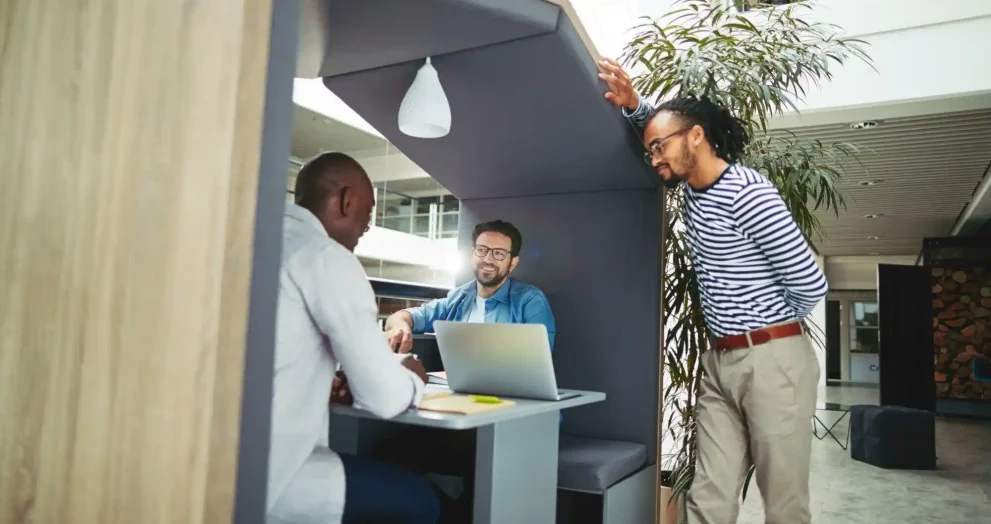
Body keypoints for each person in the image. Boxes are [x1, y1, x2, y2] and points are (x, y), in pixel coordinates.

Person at [599, 58, 828, 524]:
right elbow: (661, 128)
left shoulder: (749, 192)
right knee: (708, 497)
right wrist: (635, 105)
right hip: (718, 363)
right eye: (651, 152)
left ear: (697, 137)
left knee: (783, 504)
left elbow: (810, 282)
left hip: (772, 361)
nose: (656, 158)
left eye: (660, 148)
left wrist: (768, 328)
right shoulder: (693, 188)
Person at [266, 152, 440, 524]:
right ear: (346, 201)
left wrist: (324, 379)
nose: (368, 227)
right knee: (423, 503)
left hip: (213, 458)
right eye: (369, 211)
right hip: (274, 473)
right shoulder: (328, 258)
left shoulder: (258, 239)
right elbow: (386, 400)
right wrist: (411, 375)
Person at [383, 220, 556, 352]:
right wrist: (400, 326)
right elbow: (401, 318)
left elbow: (539, 361)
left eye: (499, 253)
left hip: (514, 396)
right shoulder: (457, 298)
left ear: (512, 263)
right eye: (482, 250)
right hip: (461, 393)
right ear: (472, 254)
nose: (488, 259)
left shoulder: (530, 301)